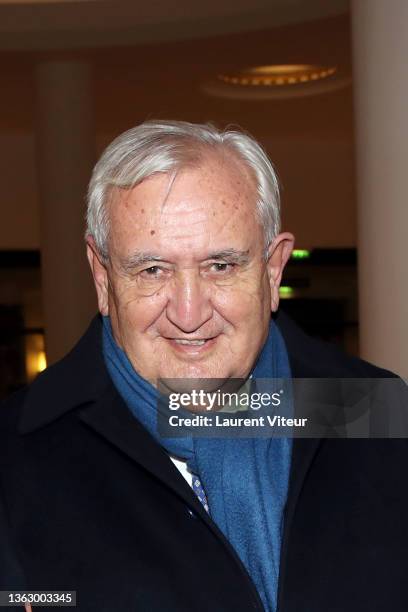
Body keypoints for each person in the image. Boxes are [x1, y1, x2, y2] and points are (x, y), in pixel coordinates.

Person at [1, 120, 407, 612]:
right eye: (152, 270)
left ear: (273, 268)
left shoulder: (373, 415)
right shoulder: (16, 459)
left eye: (221, 265)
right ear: (102, 277)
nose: (189, 314)